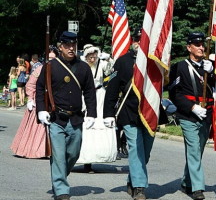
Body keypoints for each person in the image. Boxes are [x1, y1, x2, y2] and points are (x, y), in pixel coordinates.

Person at [36, 31, 97, 200]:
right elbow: (41, 89)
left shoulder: (83, 67)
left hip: (76, 118)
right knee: (58, 155)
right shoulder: (50, 66)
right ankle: (61, 189)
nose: (71, 48)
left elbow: (90, 92)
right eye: (67, 45)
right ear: (60, 47)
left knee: (73, 154)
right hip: (57, 118)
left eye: (74, 45)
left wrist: (92, 113)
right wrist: (41, 110)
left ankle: (59, 175)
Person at [103, 28, 154, 200]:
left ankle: (132, 179)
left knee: (145, 152)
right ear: (133, 41)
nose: (140, 43)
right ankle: (140, 187)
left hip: (149, 113)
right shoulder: (123, 61)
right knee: (135, 150)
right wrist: (108, 114)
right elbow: (112, 89)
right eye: (138, 40)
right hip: (128, 111)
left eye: (143, 40)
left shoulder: (154, 61)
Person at [168, 32, 215, 200]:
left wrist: (214, 73)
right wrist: (192, 107)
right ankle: (197, 188)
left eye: (202, 44)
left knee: (198, 151)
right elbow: (175, 93)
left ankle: (187, 182)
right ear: (189, 47)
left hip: (206, 114)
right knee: (194, 150)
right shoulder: (180, 67)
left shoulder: (210, 65)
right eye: (197, 45)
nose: (201, 47)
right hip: (188, 115)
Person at [10, 49, 58, 158]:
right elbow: (30, 84)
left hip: (55, 102)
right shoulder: (40, 69)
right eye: (49, 58)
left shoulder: (59, 70)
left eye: (53, 59)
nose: (51, 61)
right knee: (38, 126)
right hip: (40, 100)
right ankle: (36, 149)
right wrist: (31, 99)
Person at [77, 44, 117, 172]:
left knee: (99, 123)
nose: (92, 58)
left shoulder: (102, 64)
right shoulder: (81, 66)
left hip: (100, 96)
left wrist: (109, 59)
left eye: (94, 56)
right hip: (86, 96)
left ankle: (100, 154)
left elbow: (114, 72)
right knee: (86, 125)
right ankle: (84, 159)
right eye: (90, 56)